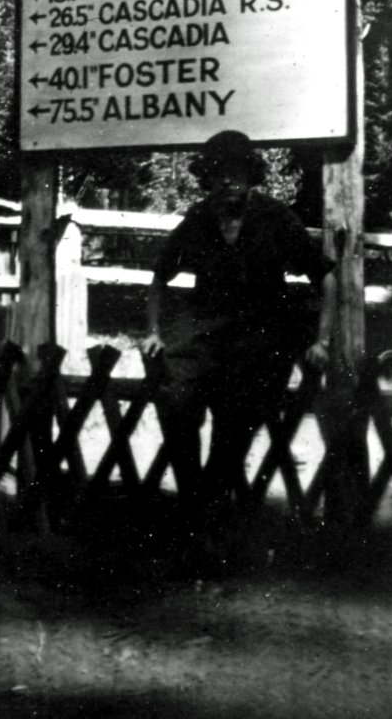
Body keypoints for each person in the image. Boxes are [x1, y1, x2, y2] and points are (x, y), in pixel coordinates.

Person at [144, 130, 336, 533]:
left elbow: (325, 278)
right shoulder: (198, 219)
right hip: (208, 329)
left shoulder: (275, 217)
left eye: (236, 172)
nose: (228, 181)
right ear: (209, 178)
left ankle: (205, 512)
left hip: (265, 330)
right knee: (174, 393)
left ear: (250, 177)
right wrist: (154, 332)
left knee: (238, 413)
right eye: (219, 173)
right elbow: (160, 275)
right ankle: (196, 501)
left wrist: (322, 339)